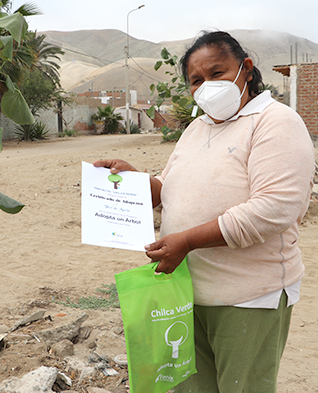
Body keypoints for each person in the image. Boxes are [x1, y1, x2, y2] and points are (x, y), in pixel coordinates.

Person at [95, 31, 314, 392]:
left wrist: (188, 240)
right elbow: (170, 188)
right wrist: (134, 184)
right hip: (185, 293)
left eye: (217, 73)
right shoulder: (196, 128)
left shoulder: (275, 122)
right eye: (196, 80)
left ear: (245, 68)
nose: (207, 86)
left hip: (249, 296)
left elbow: (275, 208)